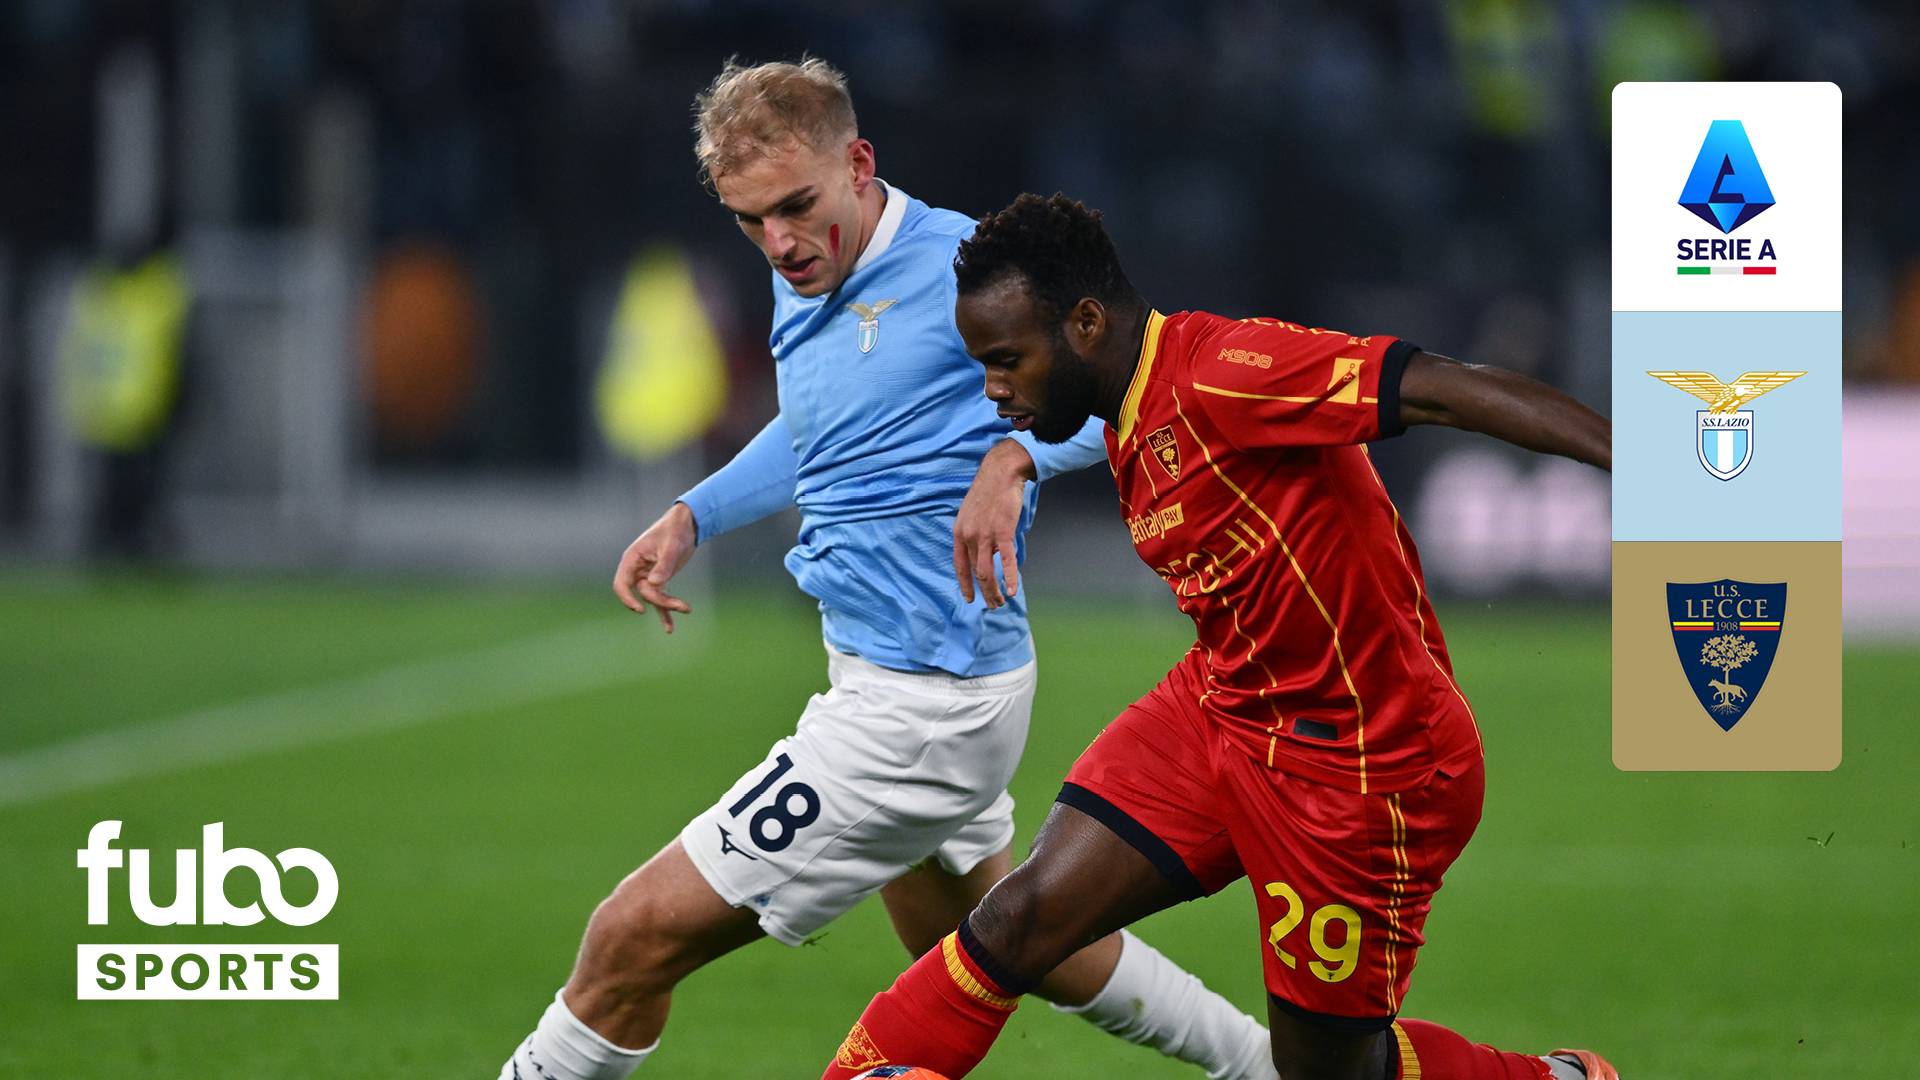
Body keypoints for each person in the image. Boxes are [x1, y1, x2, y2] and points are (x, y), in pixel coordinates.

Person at [497, 62, 1277, 1080]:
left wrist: (1016, 457)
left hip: (920, 708)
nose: (779, 241)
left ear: (859, 165)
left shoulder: (962, 270)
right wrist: (696, 514)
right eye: (749, 220)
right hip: (902, 680)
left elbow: (1134, 390)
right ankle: (1268, 1067)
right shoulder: (806, 273)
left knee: (629, 939)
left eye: (796, 206)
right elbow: (820, 428)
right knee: (1016, 937)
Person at [820, 192, 1622, 1080]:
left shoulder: (1228, 372)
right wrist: (1014, 457)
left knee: (1330, 1073)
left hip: (1360, 764)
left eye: (1007, 360)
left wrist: (1639, 457)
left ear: (1085, 324)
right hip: (1221, 707)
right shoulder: (1123, 410)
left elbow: (1436, 386)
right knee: (1020, 916)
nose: (993, 388)